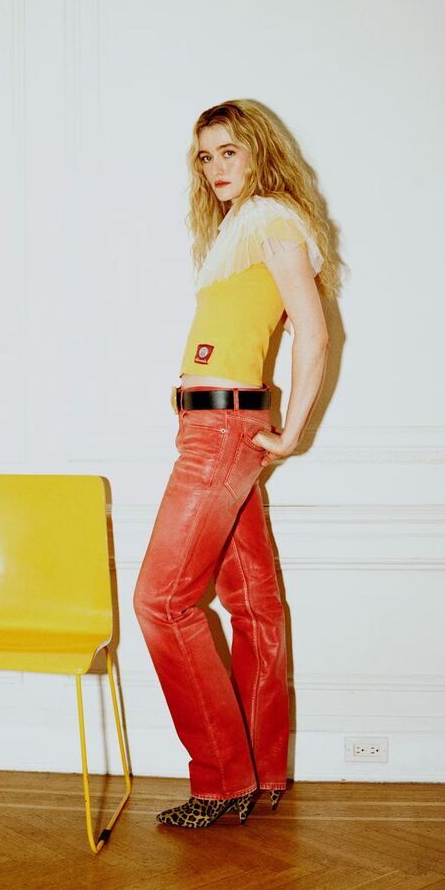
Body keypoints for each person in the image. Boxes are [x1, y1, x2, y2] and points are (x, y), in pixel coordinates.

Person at [133, 98, 338, 830]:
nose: (215, 167)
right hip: (214, 424)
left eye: (229, 151)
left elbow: (314, 333)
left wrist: (294, 433)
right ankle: (262, 769)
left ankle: (222, 781)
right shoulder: (239, 229)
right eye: (205, 155)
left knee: (161, 602)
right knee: (252, 603)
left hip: (222, 428)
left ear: (259, 150)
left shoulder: (272, 218)